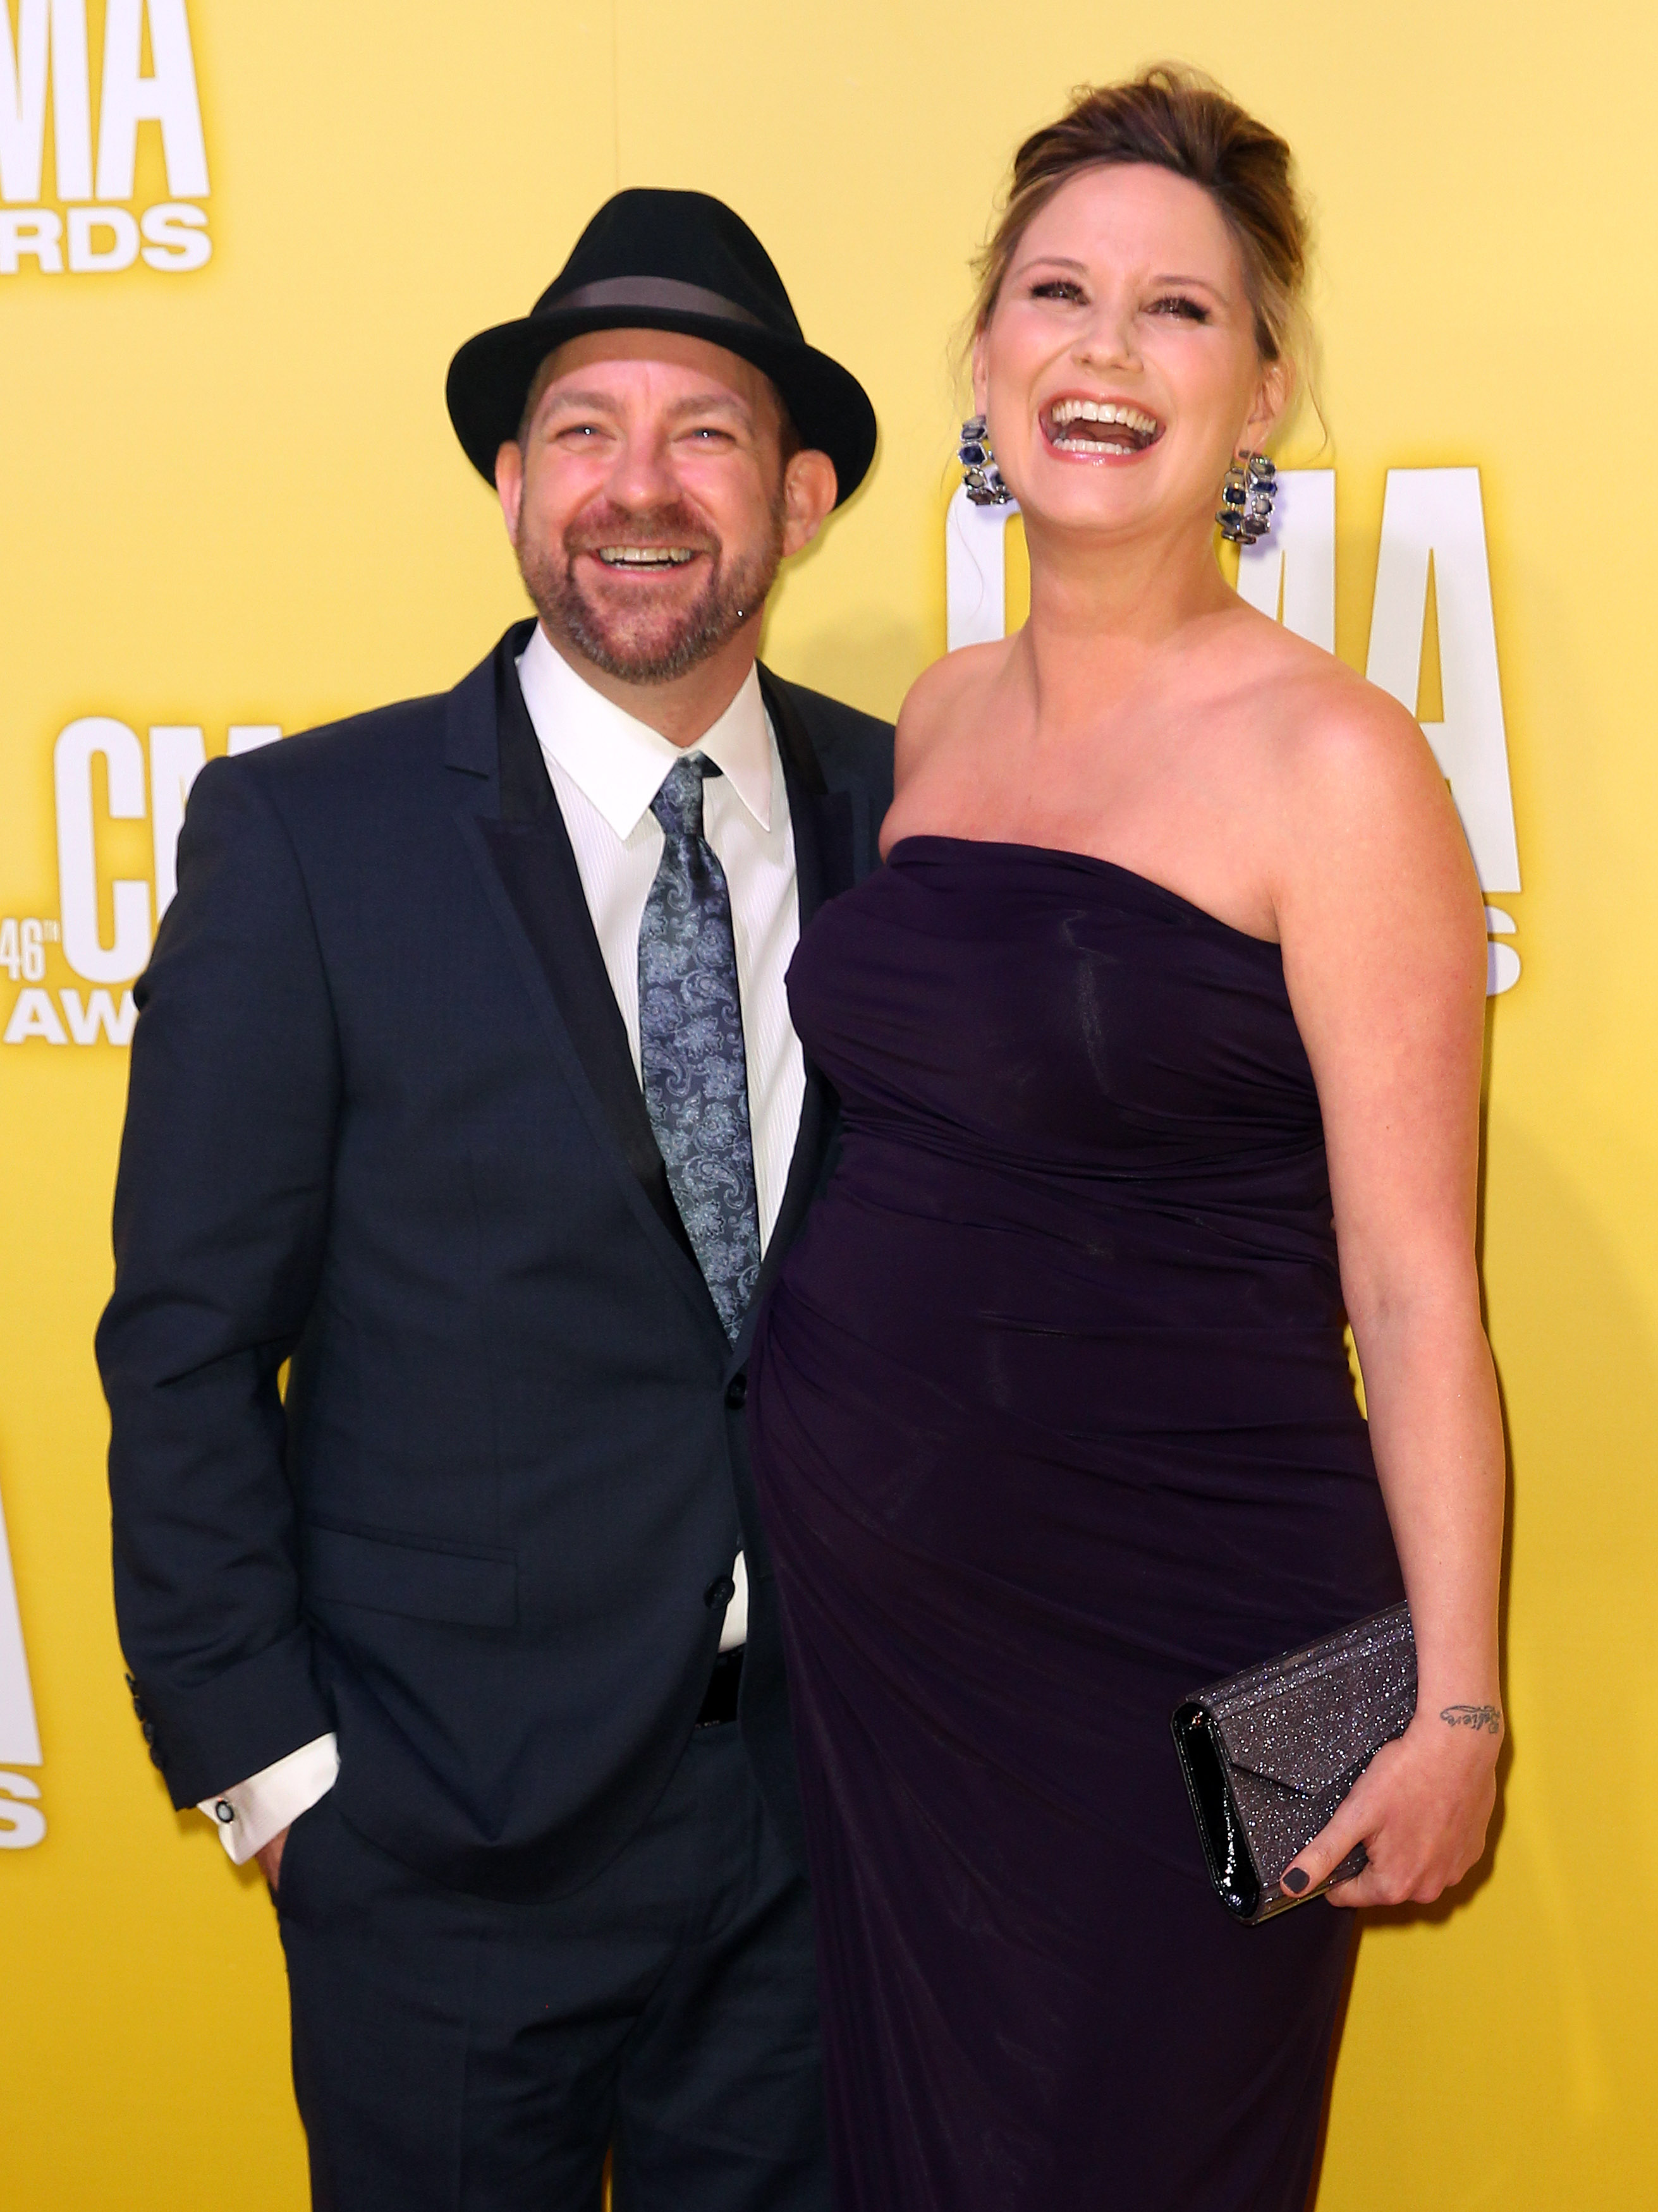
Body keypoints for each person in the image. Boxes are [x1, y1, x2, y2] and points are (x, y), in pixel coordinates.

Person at [747, 68, 1504, 2212]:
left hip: (1221, 1652)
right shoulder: (935, 722)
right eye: (1058, 293)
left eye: (1179, 310)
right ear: (987, 354)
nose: (1106, 349)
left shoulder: (1338, 762)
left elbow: (1414, 1288)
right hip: (897, 1665)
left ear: (1260, 393)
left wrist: (1456, 1708)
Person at [97, 188, 892, 2212]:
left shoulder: (917, 817)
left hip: (819, 1841)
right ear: (515, 484)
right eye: (582, 431)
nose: (639, 488)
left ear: (801, 497)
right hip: (432, 1854)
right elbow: (186, 1340)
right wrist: (278, 1777)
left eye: (704, 434)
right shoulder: (307, 836)